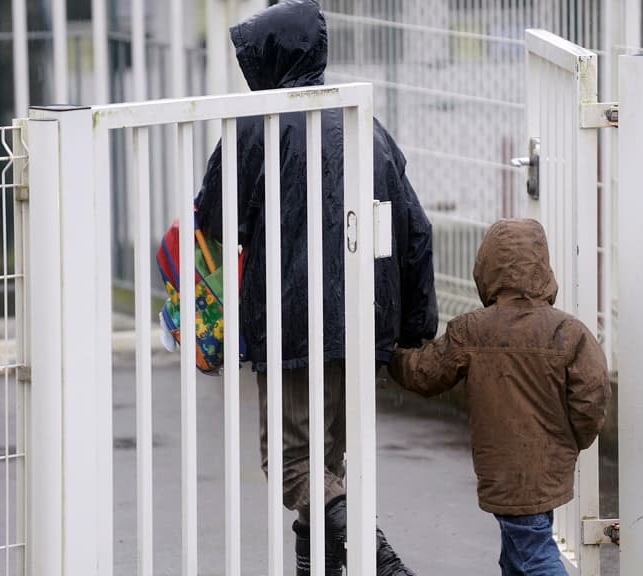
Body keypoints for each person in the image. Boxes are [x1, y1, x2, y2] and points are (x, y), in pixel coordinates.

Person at [195, 1, 437, 574]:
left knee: (291, 463)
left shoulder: (257, 124)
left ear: (269, 59)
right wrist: (411, 330)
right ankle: (320, 567)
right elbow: (415, 229)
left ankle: (376, 555)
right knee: (327, 459)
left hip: (292, 322)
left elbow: (213, 220)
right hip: (363, 319)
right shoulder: (364, 123)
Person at [389, 219, 610, 576]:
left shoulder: (472, 330)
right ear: (543, 267)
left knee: (532, 555)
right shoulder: (567, 332)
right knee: (518, 550)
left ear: (485, 268)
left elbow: (424, 373)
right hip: (550, 467)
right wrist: (572, 440)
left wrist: (389, 353)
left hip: (504, 470)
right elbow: (593, 392)